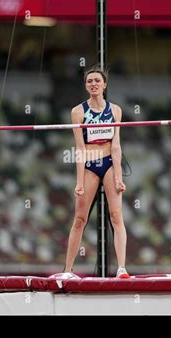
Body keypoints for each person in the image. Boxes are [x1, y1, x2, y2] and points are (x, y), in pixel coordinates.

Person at [63, 65, 130, 279]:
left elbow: (116, 145)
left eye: (97, 81)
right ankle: (67, 271)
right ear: (86, 86)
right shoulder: (78, 112)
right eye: (89, 81)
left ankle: (121, 268)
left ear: (104, 85)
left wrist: (119, 178)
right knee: (80, 219)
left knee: (116, 215)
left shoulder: (116, 110)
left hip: (109, 162)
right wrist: (79, 181)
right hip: (90, 162)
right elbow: (80, 148)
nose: (93, 84)